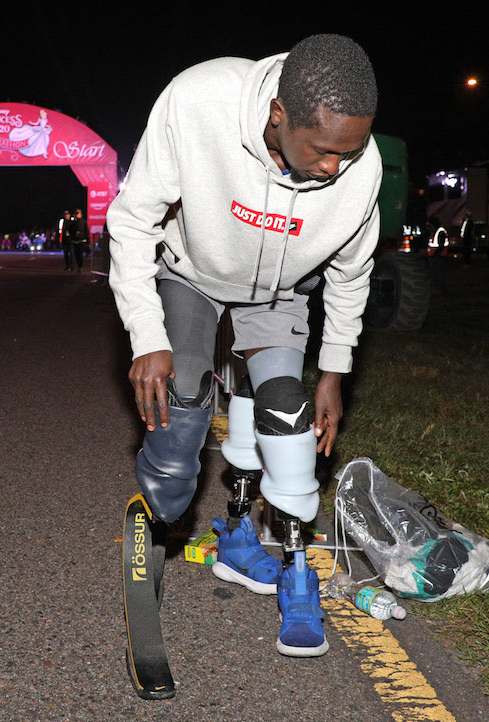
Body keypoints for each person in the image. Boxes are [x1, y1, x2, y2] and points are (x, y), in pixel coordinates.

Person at [107, 34, 381, 659]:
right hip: (192, 272)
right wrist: (148, 337)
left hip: (280, 289)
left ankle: (275, 562)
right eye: (326, 150)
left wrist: (333, 371)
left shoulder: (356, 166)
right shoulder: (197, 100)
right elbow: (131, 219)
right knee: (182, 408)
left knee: (287, 416)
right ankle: (159, 514)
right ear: (277, 116)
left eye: (352, 150)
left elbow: (351, 273)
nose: (338, 167)